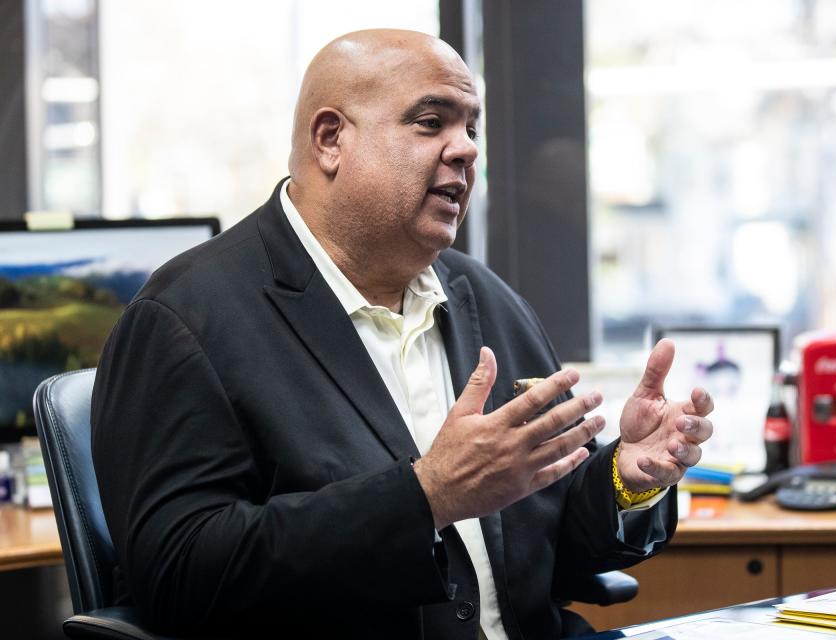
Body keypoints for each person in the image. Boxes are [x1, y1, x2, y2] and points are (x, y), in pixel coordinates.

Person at [91, 29, 714, 640]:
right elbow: (178, 578)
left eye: (471, 127)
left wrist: (628, 479)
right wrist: (427, 496)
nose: (465, 149)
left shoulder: (486, 301)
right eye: (430, 122)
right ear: (331, 140)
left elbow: (550, 548)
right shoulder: (186, 318)